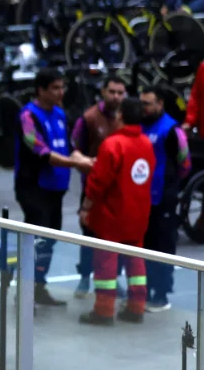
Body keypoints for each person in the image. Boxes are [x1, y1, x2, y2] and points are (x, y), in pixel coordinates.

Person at [14, 68, 94, 307]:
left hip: (56, 188)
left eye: (62, 87)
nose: (61, 92)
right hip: (33, 187)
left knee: (50, 238)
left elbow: (71, 147)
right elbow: (41, 151)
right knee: (36, 240)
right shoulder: (28, 116)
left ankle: (40, 287)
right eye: (55, 88)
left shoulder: (60, 114)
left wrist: (86, 159)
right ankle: (25, 292)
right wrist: (77, 164)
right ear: (41, 90)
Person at [78, 98, 155, 325]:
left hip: (112, 217)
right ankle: (136, 308)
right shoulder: (146, 144)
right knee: (136, 261)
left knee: (106, 263)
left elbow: (97, 183)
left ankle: (103, 311)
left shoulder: (112, 144)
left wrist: (86, 208)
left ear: (120, 115)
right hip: (138, 215)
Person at [71, 75, 128, 299]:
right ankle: (85, 277)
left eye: (120, 93)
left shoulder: (127, 118)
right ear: (103, 92)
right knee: (89, 236)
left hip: (119, 193)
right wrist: (89, 165)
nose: (116, 96)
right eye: (112, 91)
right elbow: (75, 150)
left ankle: (113, 279)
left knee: (116, 239)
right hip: (93, 189)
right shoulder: (89, 118)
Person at [140, 87, 192, 311]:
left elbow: (185, 163)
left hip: (164, 199)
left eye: (147, 104)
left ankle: (161, 295)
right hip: (142, 199)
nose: (143, 108)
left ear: (159, 104)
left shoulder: (172, 130)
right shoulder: (139, 125)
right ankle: (144, 291)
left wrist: (170, 185)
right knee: (144, 246)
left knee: (163, 246)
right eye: (141, 103)